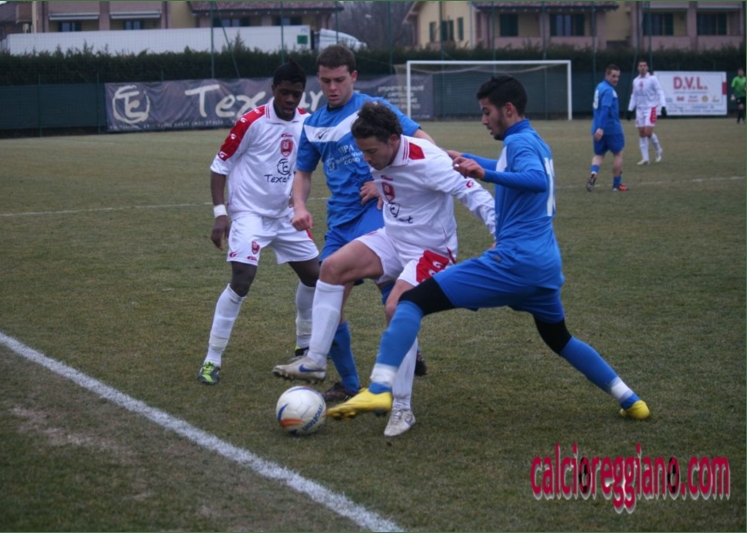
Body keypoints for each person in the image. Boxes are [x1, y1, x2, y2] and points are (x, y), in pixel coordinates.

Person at [327, 75, 650, 428]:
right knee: (560, 338)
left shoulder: (519, 144)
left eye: (486, 112)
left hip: (512, 262)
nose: (483, 120)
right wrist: (469, 160)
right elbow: (517, 169)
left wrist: (484, 173)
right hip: (544, 263)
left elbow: (535, 180)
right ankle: (630, 399)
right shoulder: (532, 140)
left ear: (507, 110)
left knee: (408, 302)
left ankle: (379, 388)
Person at [274, 102, 496, 436]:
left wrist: (502, 238)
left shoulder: (429, 160)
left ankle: (402, 408)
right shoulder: (378, 154)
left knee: (397, 307)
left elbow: (477, 197)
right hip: (393, 238)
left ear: (394, 139)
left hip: (431, 251)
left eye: (371, 152)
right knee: (331, 268)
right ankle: (315, 360)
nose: (367, 159)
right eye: (362, 151)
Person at [271, 44, 436, 402]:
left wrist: (385, 182)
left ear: (354, 77)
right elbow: (302, 173)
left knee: (384, 283)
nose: (332, 87)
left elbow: (423, 143)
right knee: (326, 301)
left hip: (374, 210)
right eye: (326, 81)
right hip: (340, 221)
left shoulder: (373, 109)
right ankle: (350, 383)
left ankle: (403, 358)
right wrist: (298, 205)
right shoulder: (313, 124)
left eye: (340, 80)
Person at [197, 61, 320, 385]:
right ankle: (212, 359)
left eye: (296, 94)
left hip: (285, 215)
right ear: (273, 89)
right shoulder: (251, 122)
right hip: (250, 214)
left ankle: (304, 344)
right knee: (242, 279)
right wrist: (220, 213)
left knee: (315, 277)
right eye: (284, 92)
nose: (290, 99)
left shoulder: (307, 123)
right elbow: (219, 167)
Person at [587, 64, 628, 192]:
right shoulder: (609, 90)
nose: (616, 79)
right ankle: (617, 185)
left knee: (599, 155)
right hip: (611, 129)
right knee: (618, 154)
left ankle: (593, 175)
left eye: (618, 77)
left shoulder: (599, 87)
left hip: (597, 128)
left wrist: (598, 128)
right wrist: (601, 128)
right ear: (607, 75)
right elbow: (605, 109)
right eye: (613, 76)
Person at [626, 60, 666, 165]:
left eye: (644, 65)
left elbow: (660, 92)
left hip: (650, 108)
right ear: (638, 68)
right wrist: (630, 109)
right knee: (642, 133)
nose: (642, 67)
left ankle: (658, 149)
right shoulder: (635, 81)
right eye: (640, 66)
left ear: (647, 68)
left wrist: (663, 105)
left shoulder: (652, 79)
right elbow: (634, 96)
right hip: (639, 109)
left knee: (647, 132)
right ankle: (645, 159)